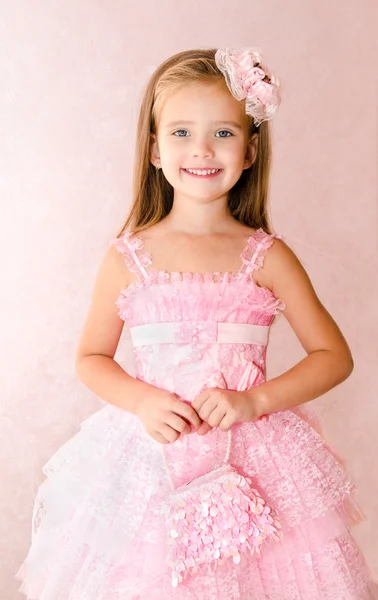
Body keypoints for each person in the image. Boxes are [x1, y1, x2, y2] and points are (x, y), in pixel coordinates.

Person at [16, 47, 378, 600]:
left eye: (224, 134)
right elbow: (91, 357)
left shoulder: (268, 256)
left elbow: (334, 356)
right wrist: (140, 400)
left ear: (251, 150)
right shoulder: (128, 257)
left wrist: (254, 401)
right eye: (181, 132)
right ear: (155, 150)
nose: (203, 149)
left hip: (255, 457)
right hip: (151, 458)